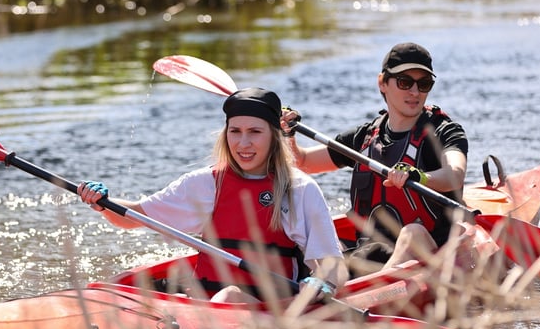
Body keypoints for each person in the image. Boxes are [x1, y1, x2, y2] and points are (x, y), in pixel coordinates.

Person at [78, 87, 348, 304]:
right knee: (123, 281)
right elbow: (133, 217)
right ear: (225, 134)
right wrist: (102, 203)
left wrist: (321, 282)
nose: (243, 144)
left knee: (229, 296)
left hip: (269, 306)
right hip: (206, 304)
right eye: (235, 131)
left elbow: (334, 267)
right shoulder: (205, 183)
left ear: (274, 136)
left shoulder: (298, 189)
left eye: (255, 132)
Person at [282, 42, 469, 273]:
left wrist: (418, 177)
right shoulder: (364, 138)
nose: (414, 92)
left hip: (428, 250)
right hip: (371, 253)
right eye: (404, 82)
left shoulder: (443, 131)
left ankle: (369, 293)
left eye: (424, 84)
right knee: (309, 239)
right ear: (382, 83)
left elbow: (455, 175)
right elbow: (303, 162)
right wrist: (289, 134)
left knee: (412, 233)